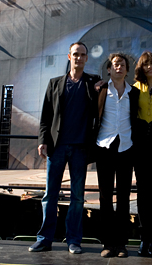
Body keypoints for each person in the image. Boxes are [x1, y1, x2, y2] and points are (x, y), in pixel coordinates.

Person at [28, 42, 100, 253]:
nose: (79, 58)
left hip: (80, 148)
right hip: (57, 147)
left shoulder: (93, 82)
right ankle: (44, 239)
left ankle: (73, 240)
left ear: (87, 58)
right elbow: (45, 117)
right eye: (75, 54)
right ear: (69, 56)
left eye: (82, 55)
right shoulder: (54, 83)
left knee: (77, 197)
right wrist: (42, 140)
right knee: (50, 195)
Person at [95, 53, 139, 258]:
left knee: (123, 198)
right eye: (115, 65)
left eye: (122, 65)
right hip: (104, 147)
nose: (119, 67)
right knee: (105, 198)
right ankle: (107, 243)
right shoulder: (100, 89)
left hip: (126, 148)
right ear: (109, 70)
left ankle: (121, 244)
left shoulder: (134, 93)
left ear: (127, 70)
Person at [133, 51, 152, 257]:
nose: (149, 67)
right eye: (146, 64)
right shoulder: (136, 88)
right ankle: (144, 240)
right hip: (142, 146)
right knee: (144, 194)